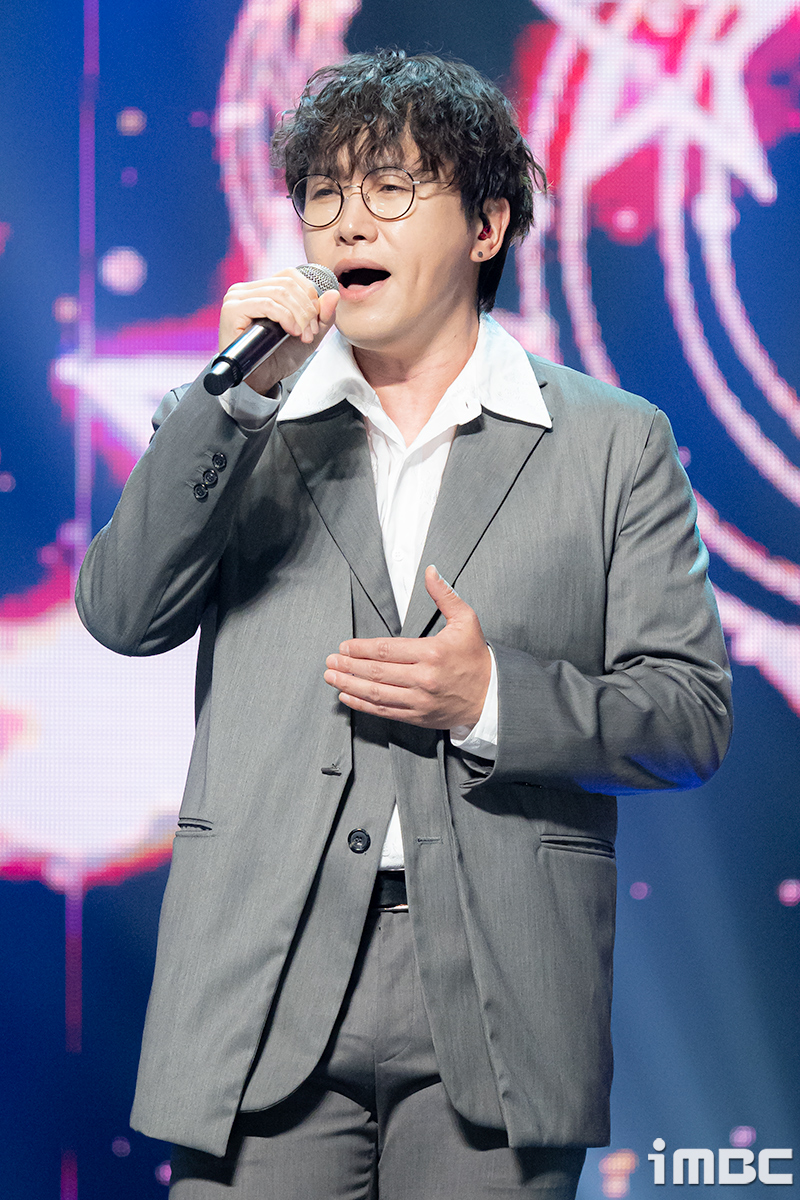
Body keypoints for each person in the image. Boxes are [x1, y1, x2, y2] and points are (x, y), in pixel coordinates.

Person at [76, 49, 732, 1200]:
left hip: (501, 988)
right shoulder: (237, 416)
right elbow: (124, 614)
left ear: (485, 225)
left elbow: (685, 717)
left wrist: (490, 700)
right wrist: (232, 404)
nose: (345, 221)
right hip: (257, 983)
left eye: (388, 188)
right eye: (322, 194)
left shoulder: (611, 441)